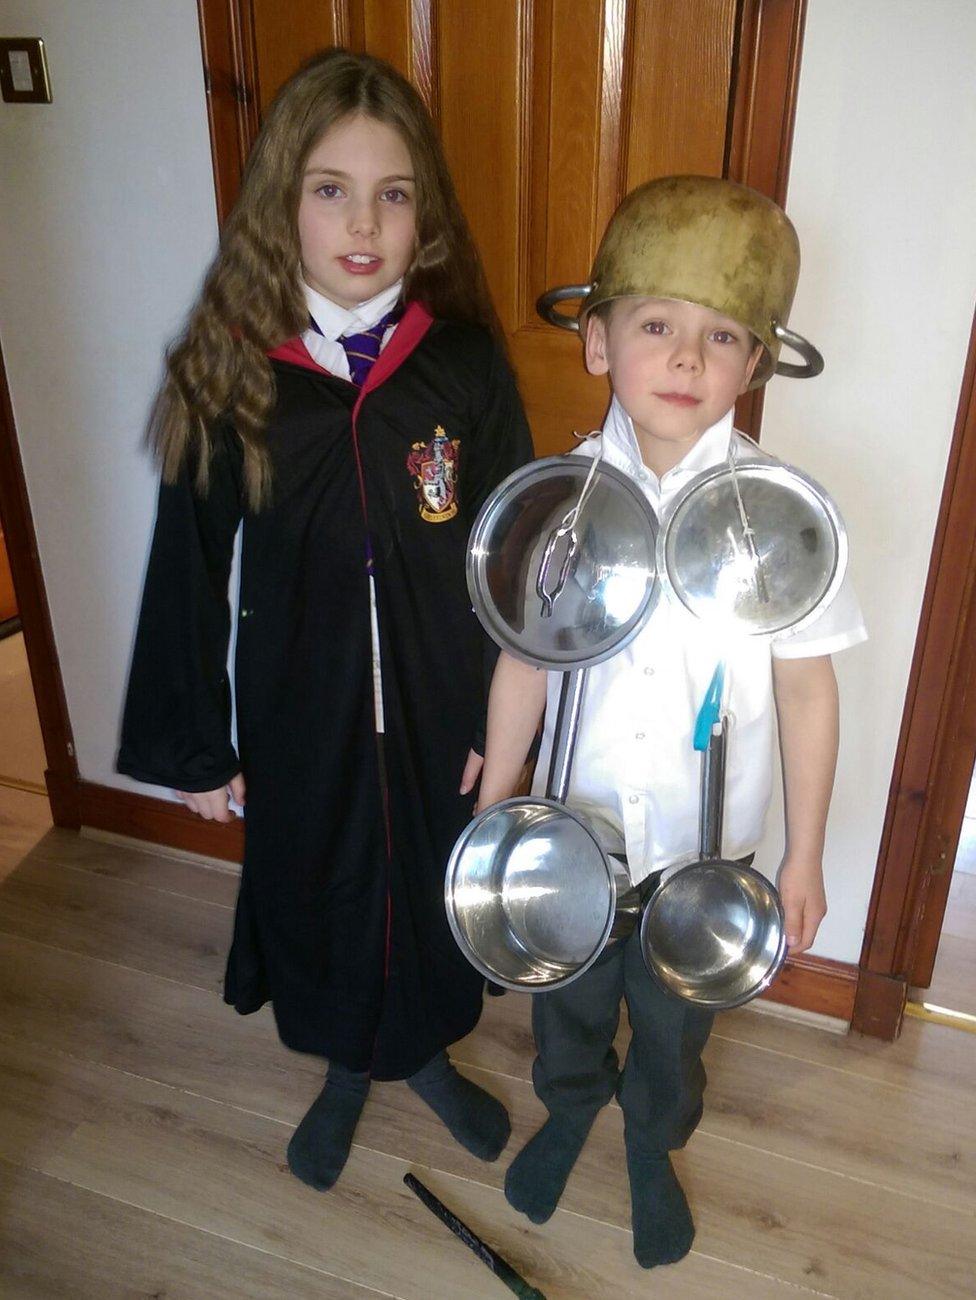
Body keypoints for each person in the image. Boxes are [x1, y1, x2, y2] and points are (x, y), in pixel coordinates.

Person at [118, 49, 533, 1192]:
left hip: (444, 698)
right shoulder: (234, 374)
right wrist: (197, 741)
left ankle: (426, 1053)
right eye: (330, 188)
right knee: (322, 882)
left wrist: (502, 726)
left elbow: (516, 555)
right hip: (302, 705)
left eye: (393, 194)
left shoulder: (458, 365)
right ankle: (347, 1064)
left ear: (424, 214)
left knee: (433, 877)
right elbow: (186, 570)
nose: (364, 221)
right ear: (281, 204)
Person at [475, 175, 867, 1268]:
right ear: (598, 341)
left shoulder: (785, 519)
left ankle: (653, 1140)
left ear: (757, 363)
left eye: (722, 335)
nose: (688, 359)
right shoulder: (550, 504)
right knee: (567, 1002)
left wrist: (800, 852)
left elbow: (805, 687)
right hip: (570, 840)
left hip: (706, 858)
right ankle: (567, 1106)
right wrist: (498, 794)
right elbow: (520, 657)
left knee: (675, 1023)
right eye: (657, 325)